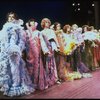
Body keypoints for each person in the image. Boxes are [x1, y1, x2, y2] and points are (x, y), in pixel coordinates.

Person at [0, 12, 35, 97]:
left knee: (15, 68)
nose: (11, 18)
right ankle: (7, 86)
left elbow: (22, 40)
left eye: (12, 17)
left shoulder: (18, 27)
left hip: (14, 50)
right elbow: (2, 41)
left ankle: (16, 86)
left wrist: (18, 49)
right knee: (6, 68)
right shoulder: (4, 28)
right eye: (9, 17)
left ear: (15, 19)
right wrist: (4, 49)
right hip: (5, 51)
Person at [25, 18, 48, 90]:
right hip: (28, 52)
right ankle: (29, 82)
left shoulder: (38, 32)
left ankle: (35, 82)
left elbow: (42, 42)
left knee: (37, 67)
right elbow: (23, 42)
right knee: (28, 67)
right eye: (31, 24)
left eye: (33, 23)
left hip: (37, 52)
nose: (32, 25)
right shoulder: (26, 32)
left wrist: (45, 50)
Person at [41, 18, 60, 87]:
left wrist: (57, 46)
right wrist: (44, 50)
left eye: (48, 22)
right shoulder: (41, 32)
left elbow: (55, 39)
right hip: (45, 49)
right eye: (46, 22)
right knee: (46, 63)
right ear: (43, 24)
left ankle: (54, 78)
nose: (47, 24)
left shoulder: (51, 31)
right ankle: (47, 79)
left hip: (51, 47)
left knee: (52, 63)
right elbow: (41, 42)